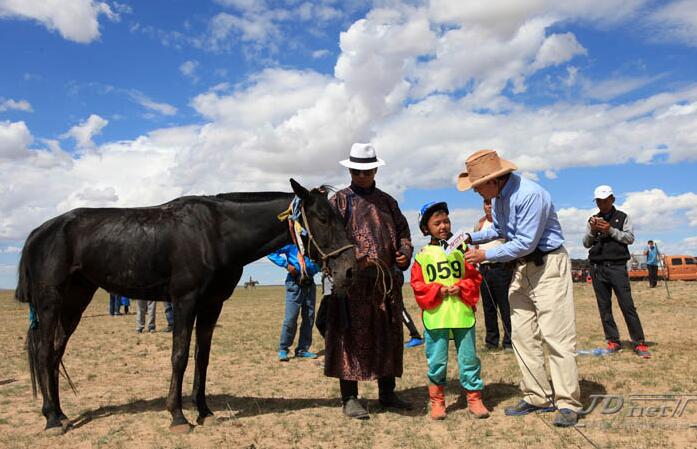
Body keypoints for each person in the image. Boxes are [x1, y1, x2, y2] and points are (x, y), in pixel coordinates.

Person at [457, 149, 582, 428]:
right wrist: (470, 237)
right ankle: (537, 395)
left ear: (493, 180)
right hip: (521, 269)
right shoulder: (499, 198)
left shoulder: (529, 195)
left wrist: (485, 255)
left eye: (477, 186)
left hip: (547, 266)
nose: (476, 191)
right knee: (522, 335)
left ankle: (567, 403)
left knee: (556, 336)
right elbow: (500, 231)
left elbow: (525, 242)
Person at [324, 142, 413, 420]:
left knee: (387, 335)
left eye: (367, 171)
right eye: (357, 171)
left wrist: (404, 252)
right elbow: (329, 240)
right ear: (350, 171)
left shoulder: (388, 202)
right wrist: (352, 261)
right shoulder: (339, 201)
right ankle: (350, 397)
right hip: (352, 284)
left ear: (375, 170)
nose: (362, 176)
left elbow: (404, 233)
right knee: (349, 338)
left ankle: (387, 392)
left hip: (385, 283)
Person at [410, 201, 489, 420]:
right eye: (437, 223)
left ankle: (474, 398)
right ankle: (437, 401)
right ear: (426, 228)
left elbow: (474, 277)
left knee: (469, 358)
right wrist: (437, 290)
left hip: (462, 314)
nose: (443, 226)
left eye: (446, 221)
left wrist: (461, 287)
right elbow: (417, 285)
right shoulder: (423, 255)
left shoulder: (461, 250)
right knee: (437, 361)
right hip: (437, 317)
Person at [583, 185, 650, 359]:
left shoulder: (623, 217)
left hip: (617, 266)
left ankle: (639, 342)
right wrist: (593, 231)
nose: (602, 204)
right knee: (604, 306)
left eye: (605, 200)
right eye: (598, 201)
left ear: (612, 199)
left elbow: (630, 238)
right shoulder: (593, 220)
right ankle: (613, 341)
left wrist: (610, 230)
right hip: (597, 267)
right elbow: (586, 243)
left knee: (627, 305)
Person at [268, 243, 320, 361]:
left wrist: (314, 269)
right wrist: (287, 265)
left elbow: (320, 261)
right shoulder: (292, 243)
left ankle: (303, 350)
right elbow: (271, 253)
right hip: (294, 281)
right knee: (291, 317)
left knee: (309, 317)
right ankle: (283, 349)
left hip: (309, 282)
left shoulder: (312, 243)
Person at [473, 198, 513, 352]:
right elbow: (476, 246)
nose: (489, 206)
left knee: (505, 306)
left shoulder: (504, 222)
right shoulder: (479, 224)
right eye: (486, 203)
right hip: (484, 269)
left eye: (491, 203)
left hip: (501, 268)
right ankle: (491, 341)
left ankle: (509, 341)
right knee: (488, 307)